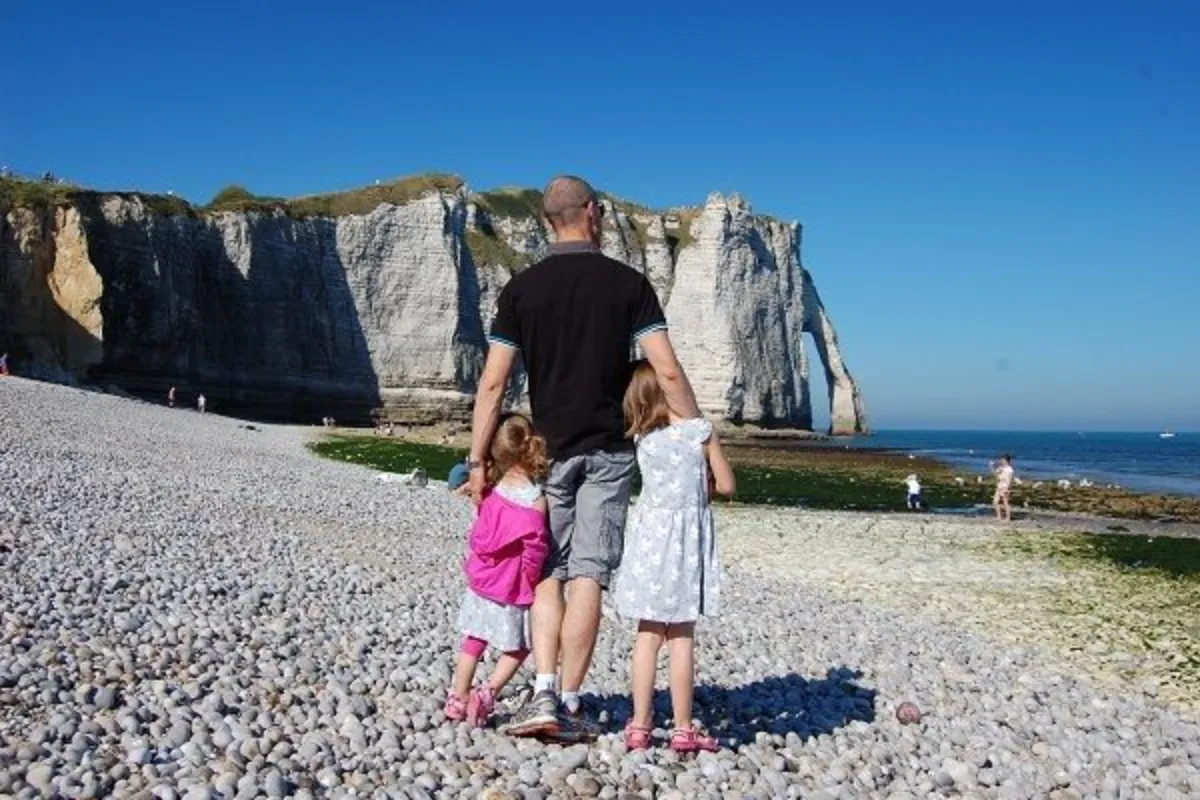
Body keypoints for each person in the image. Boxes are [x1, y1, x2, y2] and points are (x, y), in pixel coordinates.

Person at [465, 175, 702, 739]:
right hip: (609, 452)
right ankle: (569, 702)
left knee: (548, 572)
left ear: (548, 220)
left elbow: (494, 384)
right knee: (590, 575)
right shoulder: (629, 284)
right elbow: (665, 370)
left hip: (546, 452)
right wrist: (698, 437)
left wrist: (479, 461)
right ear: (592, 213)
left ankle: (543, 690)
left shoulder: (521, 290)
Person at [613, 362, 734, 753]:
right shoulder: (699, 432)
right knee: (681, 636)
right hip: (686, 545)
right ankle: (683, 728)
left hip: (650, 541)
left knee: (647, 636)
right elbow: (728, 485)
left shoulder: (641, 439)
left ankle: (640, 725)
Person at [447, 414, 550, 727]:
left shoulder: (490, 491)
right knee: (518, 647)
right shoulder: (536, 500)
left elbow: (484, 527)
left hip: (482, 580)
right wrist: (532, 579)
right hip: (511, 586)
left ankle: (457, 697)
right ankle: (487, 693)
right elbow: (535, 549)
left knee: (474, 638)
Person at [991, 454, 1015, 521]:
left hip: (1005, 487)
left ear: (1006, 460)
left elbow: (1010, 480)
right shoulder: (1001, 468)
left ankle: (1008, 518)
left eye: (1002, 460)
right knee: (995, 502)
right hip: (999, 486)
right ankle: (999, 516)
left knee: (1005, 503)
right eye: (1001, 460)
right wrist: (991, 466)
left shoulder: (1010, 469)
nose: (1001, 461)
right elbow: (995, 475)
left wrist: (1007, 488)